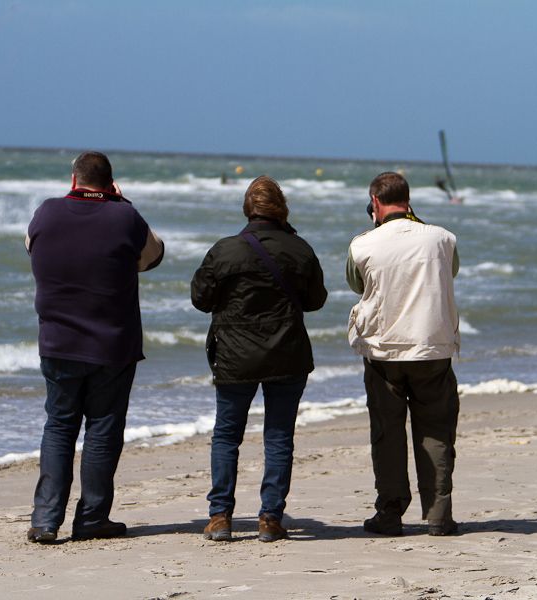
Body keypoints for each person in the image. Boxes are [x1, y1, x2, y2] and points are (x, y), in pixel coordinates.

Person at [25, 151, 164, 544]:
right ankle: (91, 519)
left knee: (59, 425)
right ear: (110, 183)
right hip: (112, 343)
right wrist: (123, 204)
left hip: (57, 340)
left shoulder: (47, 213)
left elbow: (32, 247)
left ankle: (46, 519)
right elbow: (152, 256)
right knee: (103, 430)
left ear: (74, 179)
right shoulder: (125, 216)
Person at [191, 176, 327, 543]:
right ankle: (270, 518)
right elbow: (316, 300)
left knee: (226, 436)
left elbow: (200, 299)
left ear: (247, 210)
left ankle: (220, 516)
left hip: (236, 357)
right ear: (281, 209)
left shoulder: (225, 250)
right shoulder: (300, 249)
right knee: (279, 436)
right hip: (287, 353)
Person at [345, 171, 461, 537]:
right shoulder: (442, 238)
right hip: (432, 345)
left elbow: (355, 283)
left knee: (387, 433)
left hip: (384, 351)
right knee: (437, 431)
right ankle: (439, 514)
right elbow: (450, 272)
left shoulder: (364, 243)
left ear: (375, 203)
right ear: (409, 201)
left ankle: (390, 512)